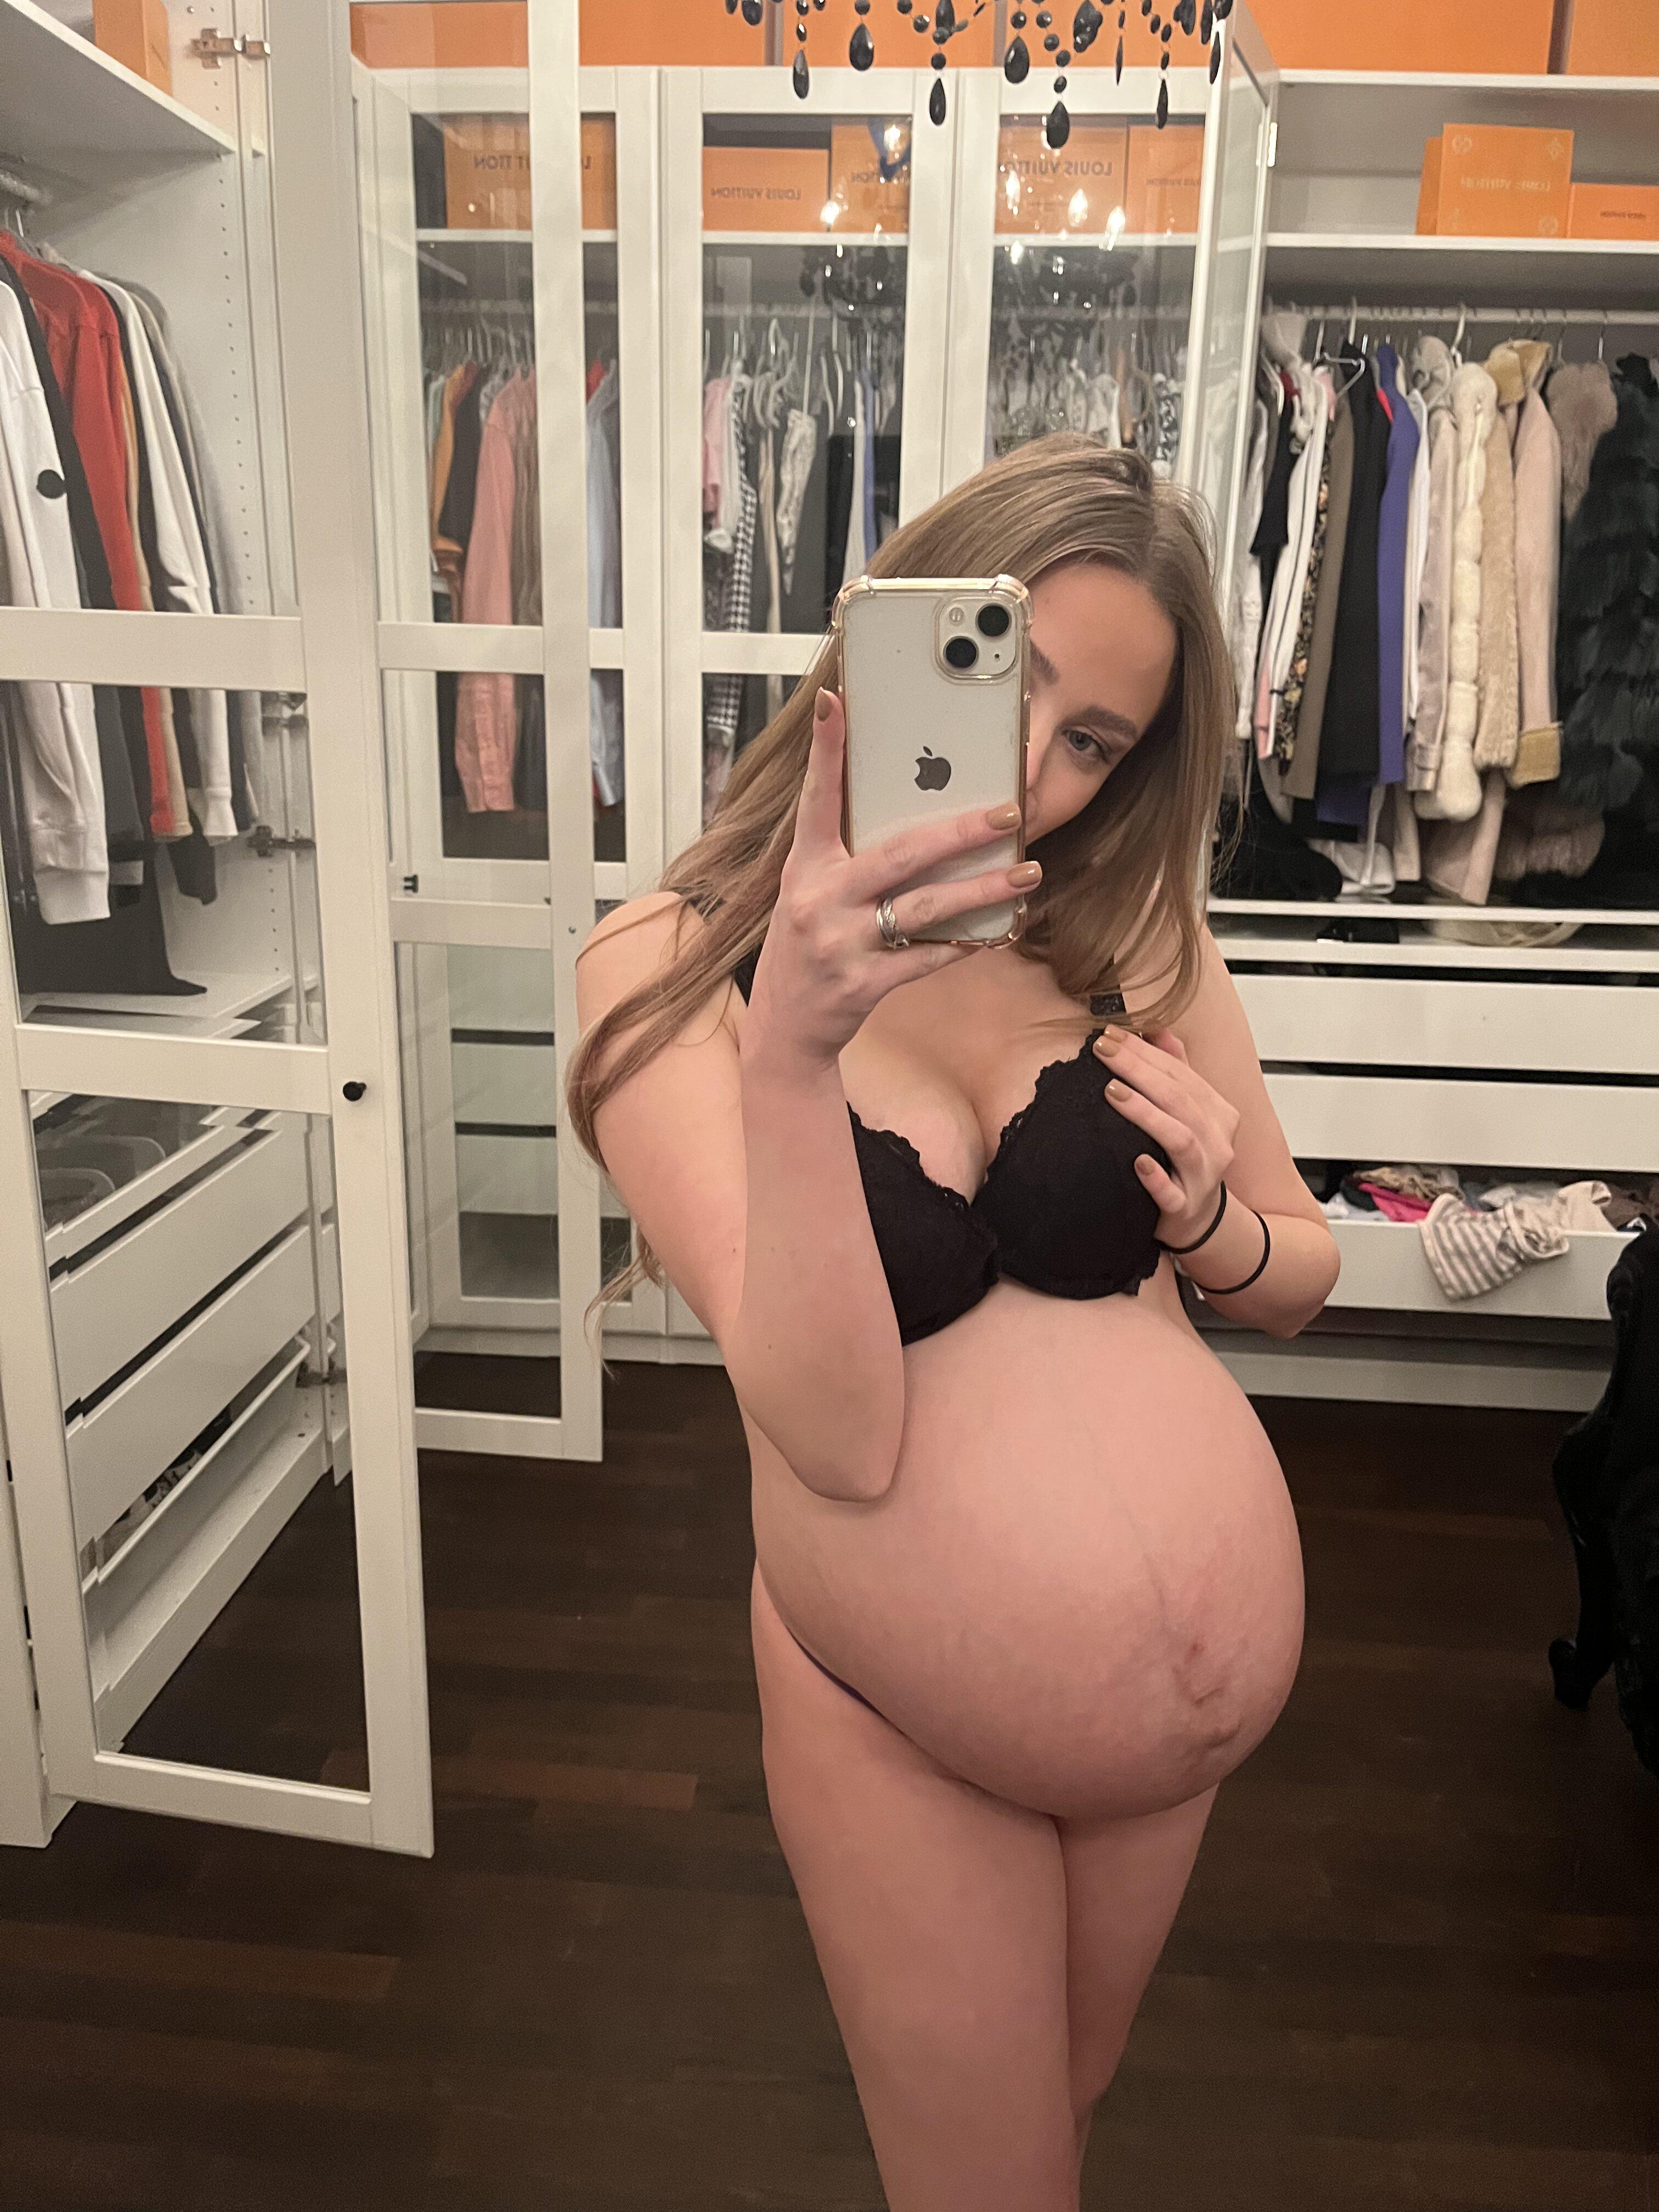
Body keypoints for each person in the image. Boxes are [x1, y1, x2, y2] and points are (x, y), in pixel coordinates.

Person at [567, 435, 1339, 2211]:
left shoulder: (1134, 932)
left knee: (1057, 2123)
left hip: (1165, 1756)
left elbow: (1305, 1271)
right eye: (1010, 681)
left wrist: (1214, 1225)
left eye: (1096, 742)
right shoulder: (670, 967)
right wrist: (795, 1051)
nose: (1032, 770)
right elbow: (836, 1437)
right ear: (893, 641)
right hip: (899, 1712)